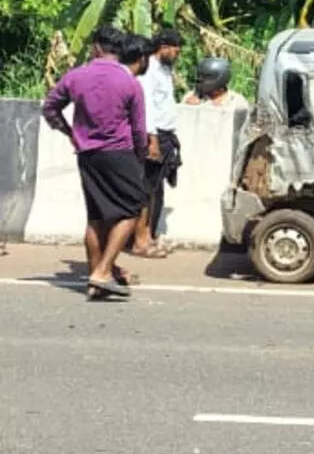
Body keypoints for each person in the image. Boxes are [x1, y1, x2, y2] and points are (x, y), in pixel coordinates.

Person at [41, 26, 150, 300]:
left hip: (87, 153)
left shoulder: (77, 76)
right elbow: (139, 129)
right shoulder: (129, 83)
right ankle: (102, 272)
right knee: (132, 208)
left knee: (96, 216)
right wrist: (140, 155)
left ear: (97, 48)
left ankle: (95, 282)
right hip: (119, 153)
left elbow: (50, 107)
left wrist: (69, 133)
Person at [132, 29, 184, 258]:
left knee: (156, 189)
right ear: (161, 47)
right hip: (155, 135)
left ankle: (150, 236)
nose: (176, 52)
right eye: (173, 48)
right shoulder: (149, 71)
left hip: (166, 135)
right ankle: (141, 240)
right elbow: (147, 108)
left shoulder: (165, 71)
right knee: (146, 189)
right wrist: (151, 139)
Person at [182, 57, 249, 110]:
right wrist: (188, 107)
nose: (200, 81)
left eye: (205, 77)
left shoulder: (236, 101)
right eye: (199, 76)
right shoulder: (191, 96)